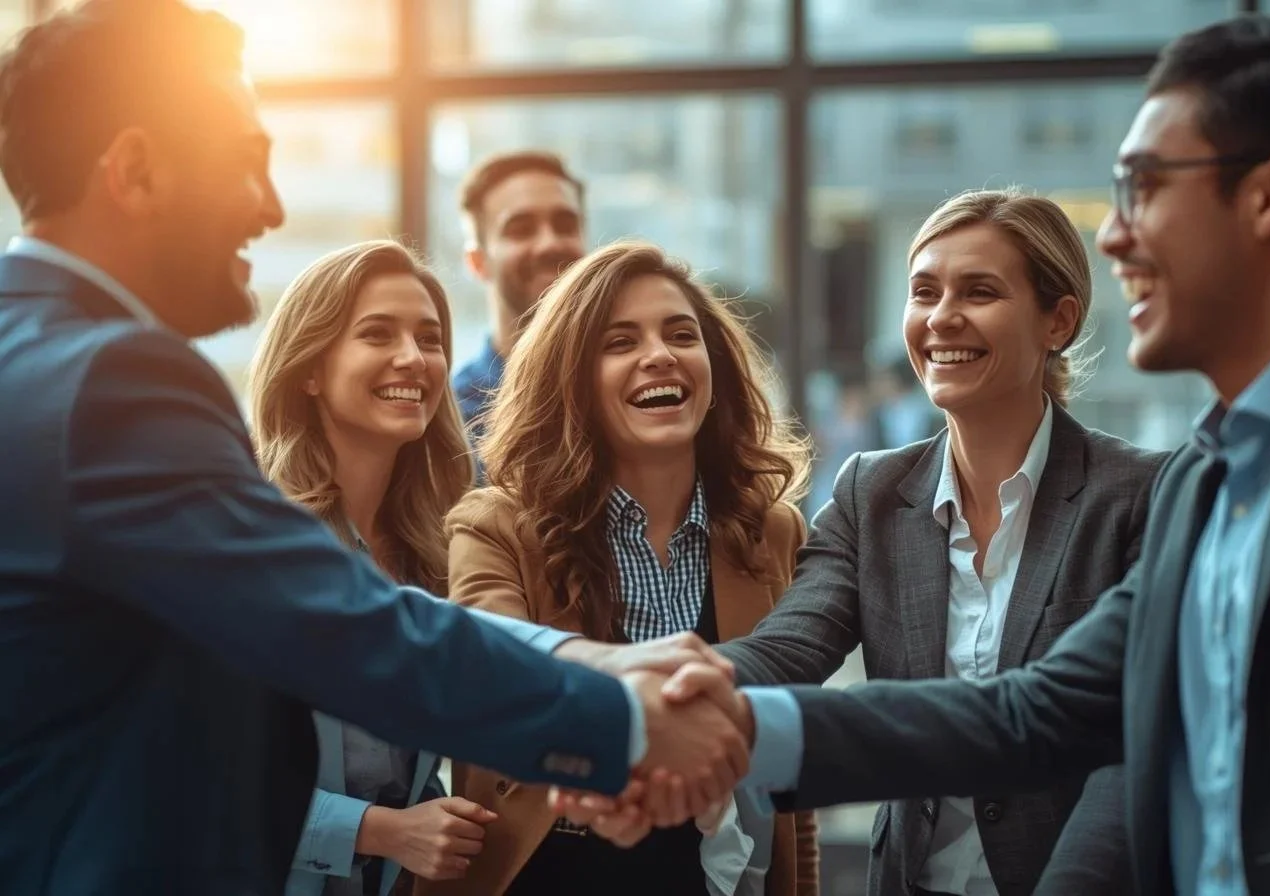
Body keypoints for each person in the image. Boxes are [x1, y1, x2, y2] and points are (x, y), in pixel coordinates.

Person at [564, 12, 1270, 896]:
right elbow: (1030, 713)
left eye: (1147, 187)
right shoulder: (1214, 479)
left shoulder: (1161, 488)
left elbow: (1113, 754)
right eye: (924, 291)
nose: (1116, 235)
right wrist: (647, 713)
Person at [0, 4, 749, 893]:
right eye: (244, 162)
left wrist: (601, 665)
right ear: (135, 171)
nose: (270, 206)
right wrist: (616, 713)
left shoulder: (30, 352)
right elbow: (341, 624)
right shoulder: (112, 379)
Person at [717, 188, 1166, 896]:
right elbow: (784, 650)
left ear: (1058, 320)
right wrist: (658, 691)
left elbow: (1132, 741)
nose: (941, 317)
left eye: (979, 292)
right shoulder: (870, 492)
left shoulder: (1140, 495)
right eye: (924, 291)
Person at [431, 240, 818, 896]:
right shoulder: (493, 525)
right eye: (620, 342)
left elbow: (790, 772)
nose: (660, 355)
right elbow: (493, 675)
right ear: (573, 382)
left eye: (681, 335)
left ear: (714, 369)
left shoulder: (773, 532)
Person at [250, 240, 499, 895]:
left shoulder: (436, 551)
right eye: (377, 334)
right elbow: (194, 772)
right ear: (310, 369)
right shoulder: (255, 543)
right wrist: (380, 830)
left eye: (430, 338)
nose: (413, 357)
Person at [451, 150, 587, 437]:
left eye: (565, 226)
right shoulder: (450, 421)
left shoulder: (628, 391)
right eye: (521, 230)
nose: (550, 244)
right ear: (477, 262)